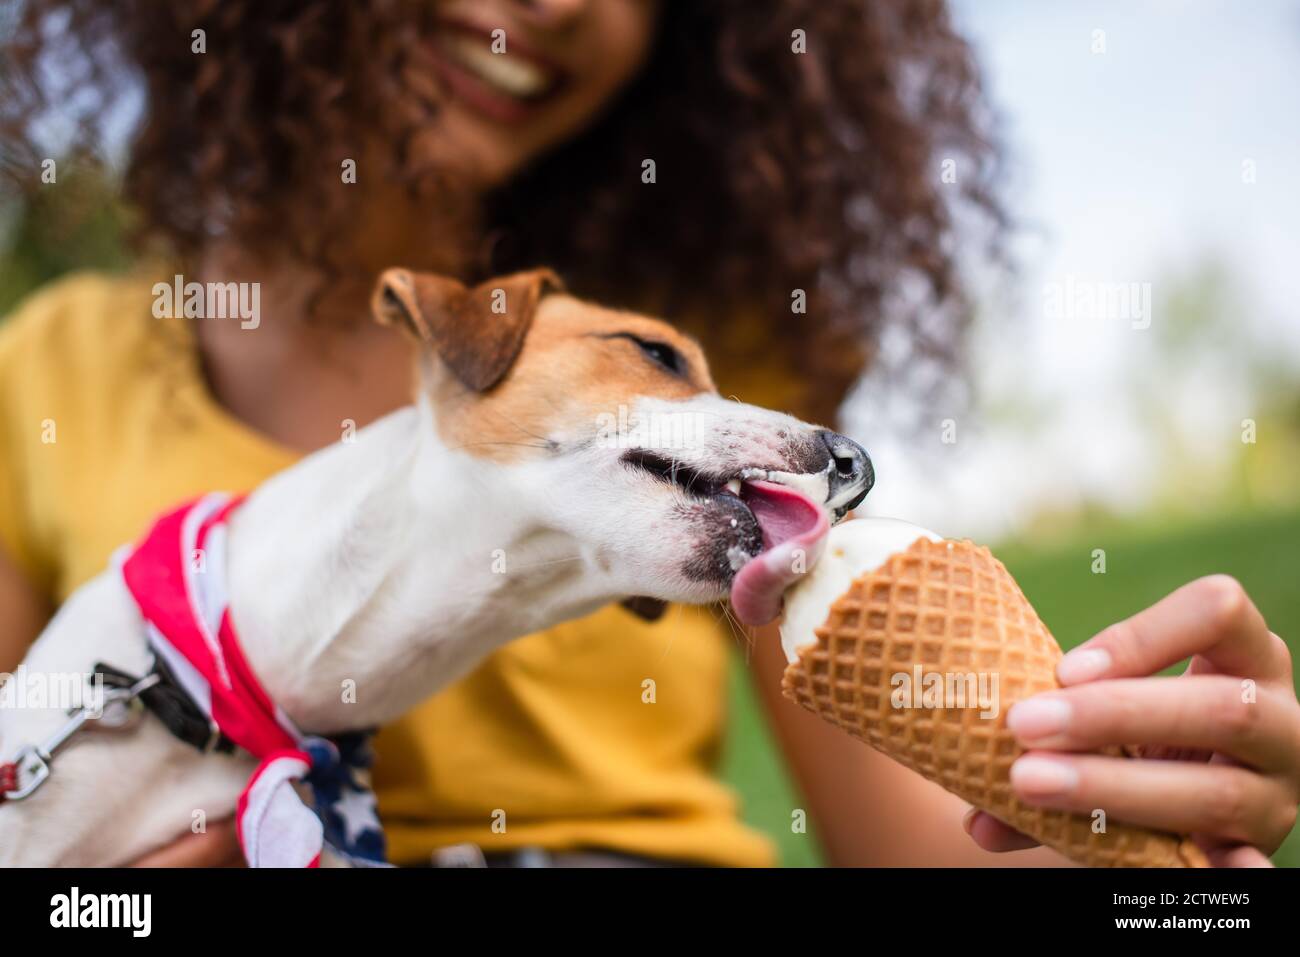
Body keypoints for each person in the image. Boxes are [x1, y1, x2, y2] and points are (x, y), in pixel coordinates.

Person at [1, 0, 1295, 867]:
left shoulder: (711, 367)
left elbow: (932, 852)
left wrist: (1151, 847)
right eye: (670, 368)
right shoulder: (46, 370)